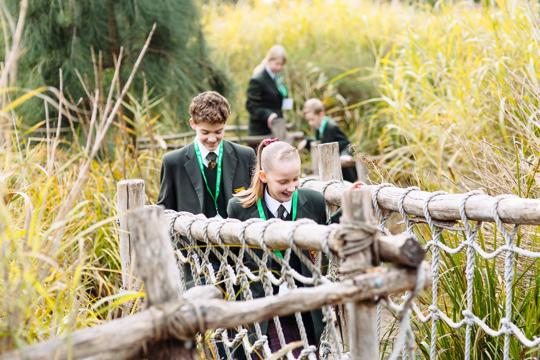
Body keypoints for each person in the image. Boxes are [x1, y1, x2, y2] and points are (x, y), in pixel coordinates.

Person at [228, 139, 325, 357]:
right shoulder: (240, 208)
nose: (291, 187)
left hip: (305, 305)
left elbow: (325, 241)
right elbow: (235, 262)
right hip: (265, 308)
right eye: (283, 182)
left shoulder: (314, 202)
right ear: (263, 177)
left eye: (296, 179)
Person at [157, 91, 256, 217]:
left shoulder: (246, 156)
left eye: (218, 132)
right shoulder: (173, 162)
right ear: (193, 124)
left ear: (225, 124)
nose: (212, 139)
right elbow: (165, 211)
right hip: (192, 234)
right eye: (205, 132)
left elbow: (256, 203)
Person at [299, 98, 358, 182]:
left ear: (321, 114)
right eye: (308, 121)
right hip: (333, 171)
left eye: (312, 120)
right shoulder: (319, 128)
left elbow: (346, 143)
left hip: (344, 172)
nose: (310, 123)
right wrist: (308, 141)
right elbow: (320, 141)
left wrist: (345, 155)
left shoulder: (331, 127)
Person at [246, 44, 292, 136]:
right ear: (269, 60)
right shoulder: (257, 79)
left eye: (282, 65)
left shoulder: (278, 79)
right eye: (277, 64)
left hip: (277, 127)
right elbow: (251, 105)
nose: (280, 67)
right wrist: (268, 115)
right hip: (261, 130)